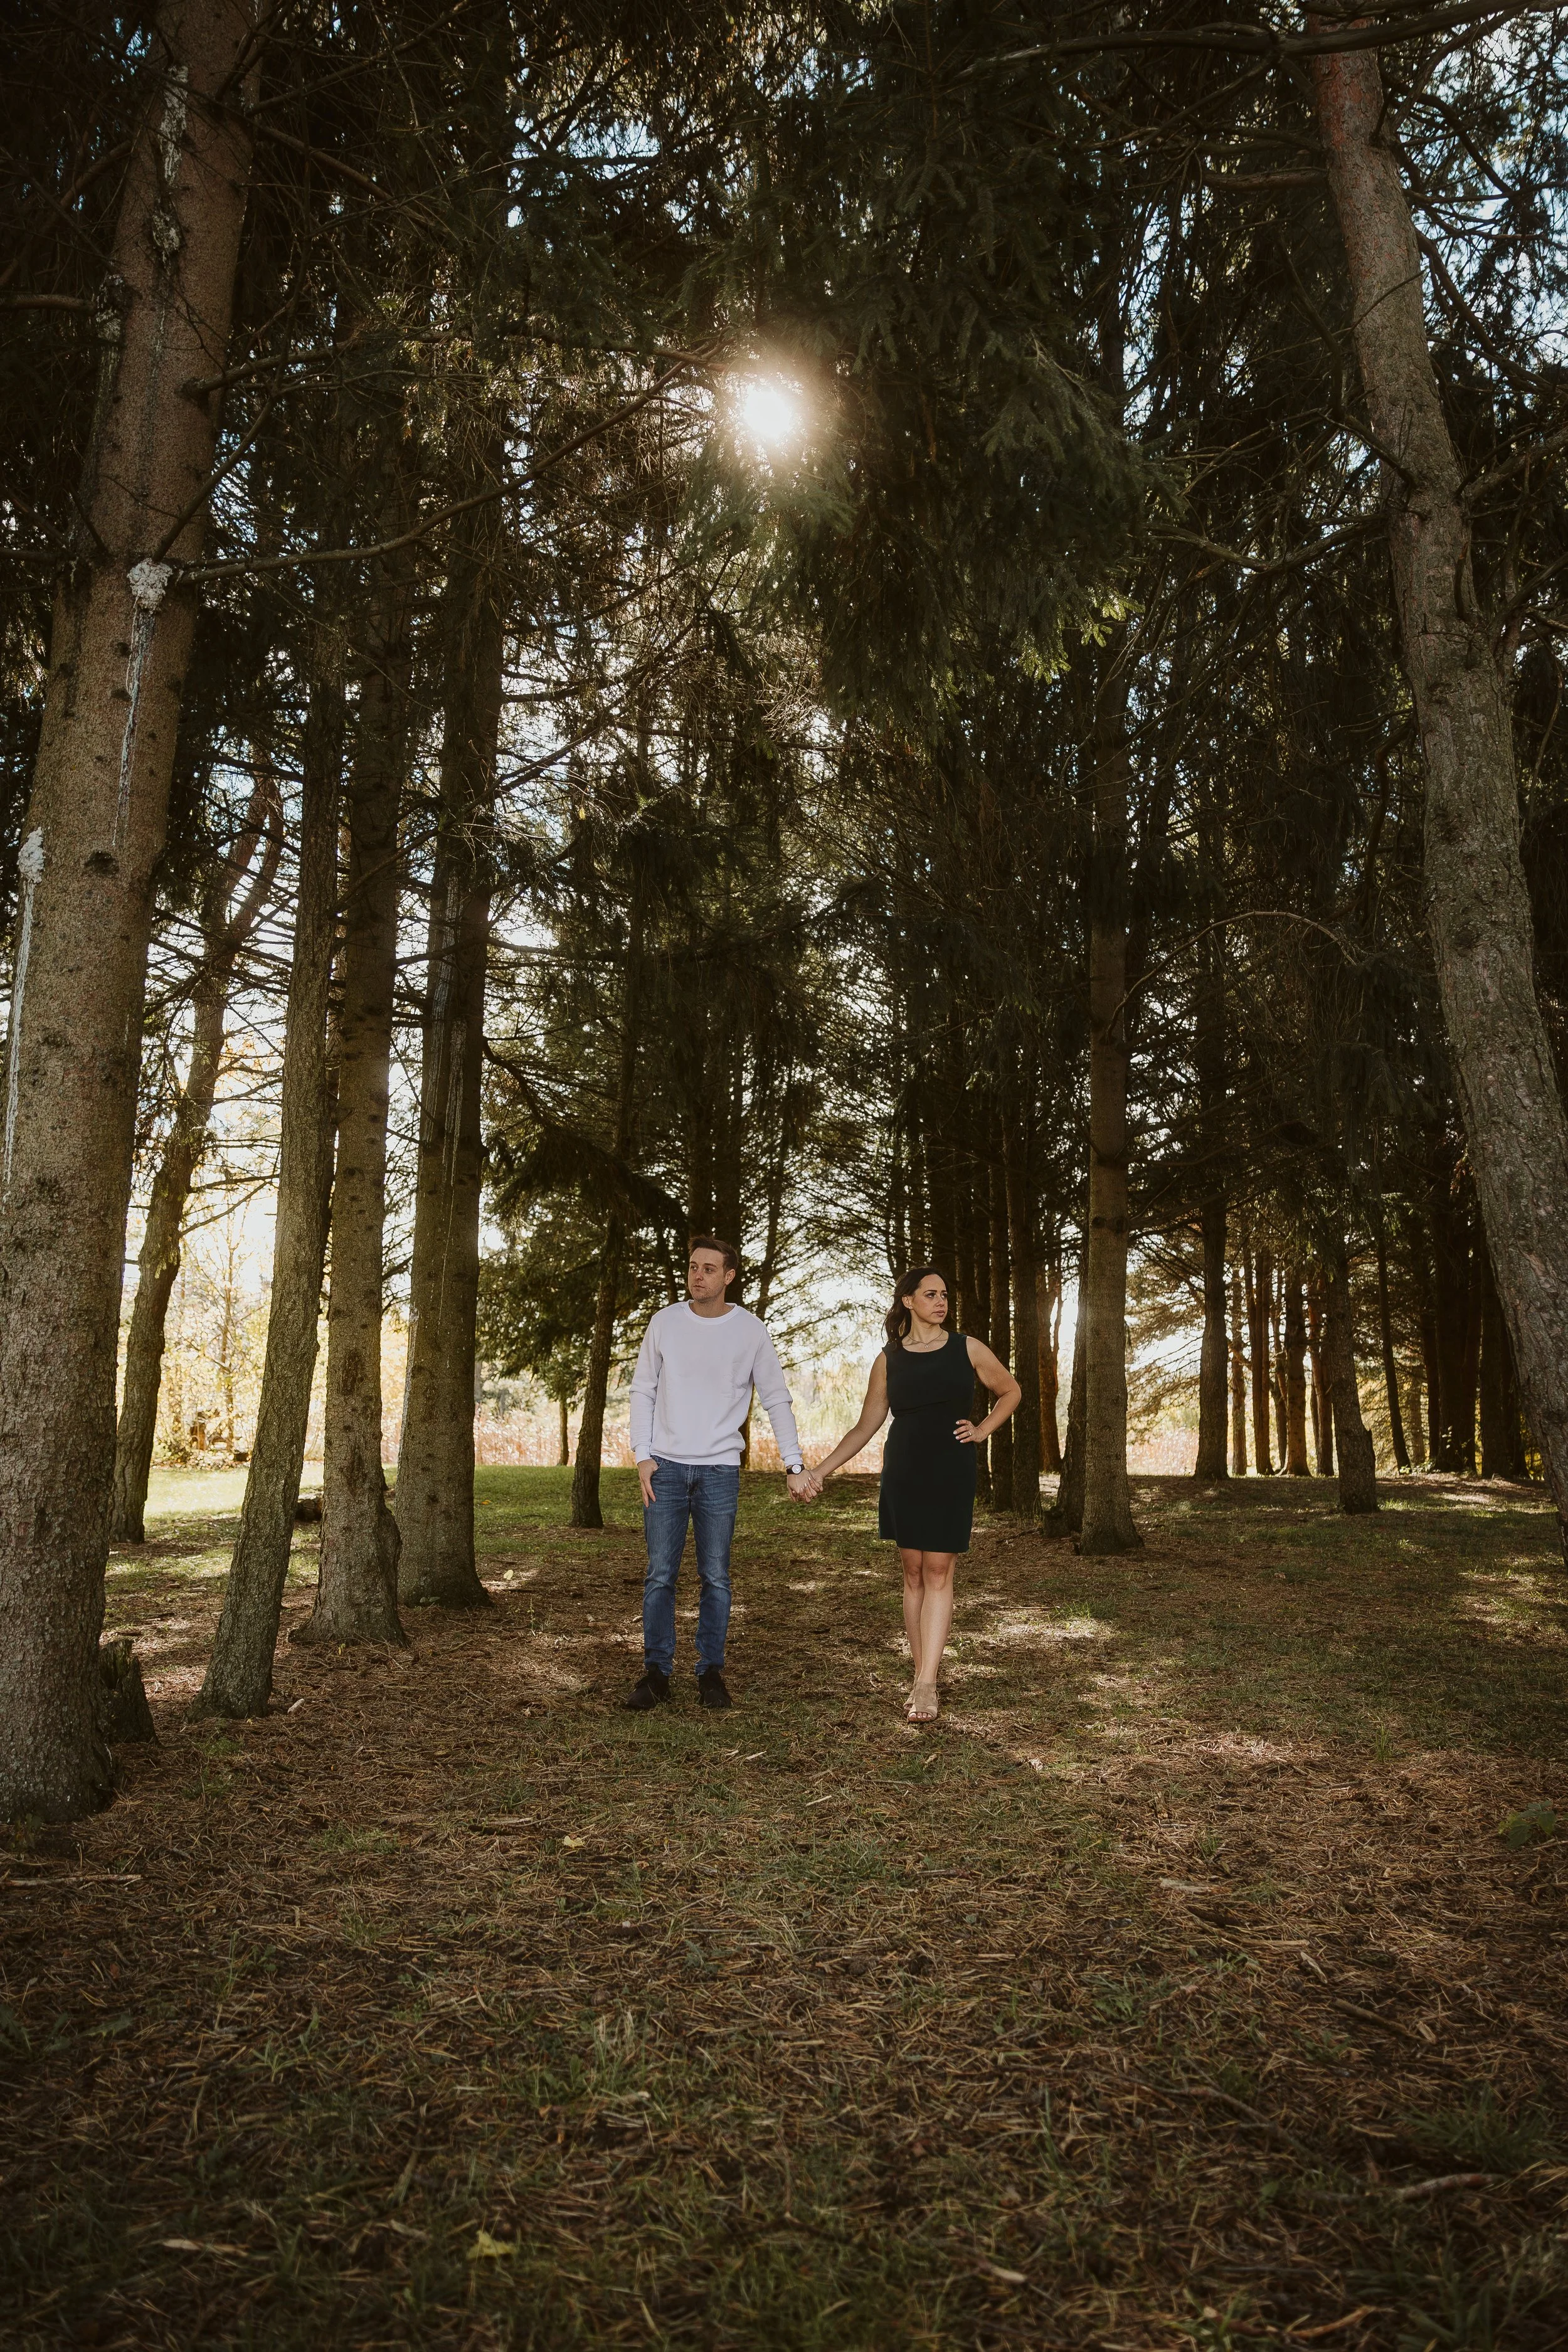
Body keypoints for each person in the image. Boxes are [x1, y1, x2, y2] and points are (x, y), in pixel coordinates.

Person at [800, 1266, 1020, 1722]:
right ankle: (922, 1673)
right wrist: (820, 1470)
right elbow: (866, 1424)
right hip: (904, 1468)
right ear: (908, 1301)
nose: (941, 1302)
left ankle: (925, 1683)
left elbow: (1011, 1391)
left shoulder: (968, 1348)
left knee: (939, 1569)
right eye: (931, 1294)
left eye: (944, 1295)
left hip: (950, 1468)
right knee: (913, 1571)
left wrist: (982, 1430)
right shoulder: (889, 1358)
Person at [625, 1235, 812, 1712]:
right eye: (693, 1267)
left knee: (716, 1577)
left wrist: (794, 1464)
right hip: (663, 1468)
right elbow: (643, 1390)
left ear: (729, 1277)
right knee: (660, 1575)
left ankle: (710, 1671)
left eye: (709, 1269)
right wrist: (642, 1454)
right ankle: (656, 1673)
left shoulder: (750, 1331)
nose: (698, 1275)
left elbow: (776, 1397)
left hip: (720, 1470)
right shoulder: (664, 1323)